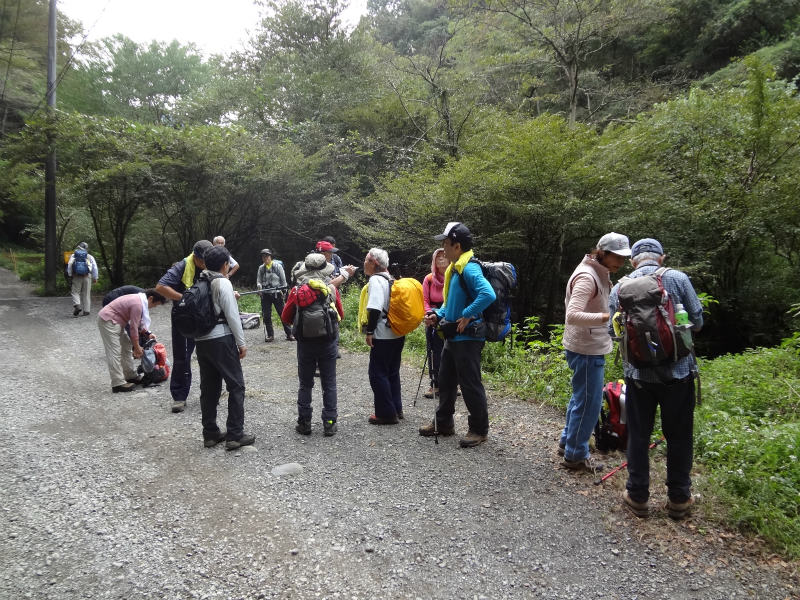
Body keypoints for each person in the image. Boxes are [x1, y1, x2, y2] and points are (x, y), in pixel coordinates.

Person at [609, 238, 703, 519]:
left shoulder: (619, 287)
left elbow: (613, 332)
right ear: (661, 258)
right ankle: (679, 499)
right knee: (679, 435)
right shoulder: (677, 279)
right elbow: (697, 322)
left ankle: (637, 496)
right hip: (679, 372)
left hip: (639, 376)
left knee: (639, 435)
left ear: (632, 261)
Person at [419, 223, 496, 448]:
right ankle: (444, 423)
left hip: (468, 337)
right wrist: (437, 314)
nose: (443, 249)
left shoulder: (468, 268)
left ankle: (479, 430)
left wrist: (467, 314)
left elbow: (488, 294)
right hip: (453, 336)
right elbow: (450, 303)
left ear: (457, 246)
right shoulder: (455, 268)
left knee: (470, 384)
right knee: (446, 381)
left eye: (446, 243)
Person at [558, 232, 630, 472]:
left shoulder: (599, 272)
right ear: (602, 253)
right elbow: (572, 315)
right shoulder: (588, 277)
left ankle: (567, 442)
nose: (621, 261)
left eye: (624, 257)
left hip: (586, 345)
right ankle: (576, 455)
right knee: (589, 402)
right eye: (616, 256)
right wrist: (607, 317)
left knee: (581, 397)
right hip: (586, 348)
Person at [194, 245, 255, 450]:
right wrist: (241, 343)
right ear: (225, 265)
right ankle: (235, 435)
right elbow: (232, 316)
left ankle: (210, 434)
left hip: (201, 341)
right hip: (221, 340)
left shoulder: (200, 280)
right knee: (236, 386)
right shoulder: (222, 282)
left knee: (209, 388)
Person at [281, 253, 347, 437]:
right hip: (328, 342)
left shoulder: (297, 291)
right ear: (324, 270)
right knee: (329, 383)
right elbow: (340, 315)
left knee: (305, 383)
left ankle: (304, 423)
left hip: (305, 344)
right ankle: (330, 423)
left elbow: (285, 317)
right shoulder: (330, 289)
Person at [155, 239, 213, 413]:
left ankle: (211, 393)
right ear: (195, 257)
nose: (205, 264)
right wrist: (185, 299)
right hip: (184, 318)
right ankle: (179, 396)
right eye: (202, 261)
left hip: (205, 316)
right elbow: (160, 287)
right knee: (182, 357)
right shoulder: (182, 266)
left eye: (207, 260)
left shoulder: (212, 264)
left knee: (210, 355)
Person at [361, 247, 405, 425]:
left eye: (366, 259)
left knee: (377, 373)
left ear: (374, 263)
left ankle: (386, 414)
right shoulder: (391, 278)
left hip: (382, 334)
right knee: (392, 372)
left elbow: (374, 308)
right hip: (397, 332)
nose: (364, 263)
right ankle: (397, 408)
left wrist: (370, 331)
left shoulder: (376, 280)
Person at [97, 289, 166, 393]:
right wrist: (137, 347)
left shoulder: (139, 300)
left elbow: (138, 321)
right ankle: (117, 383)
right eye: (155, 305)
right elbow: (133, 328)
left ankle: (130, 376)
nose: (153, 307)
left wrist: (147, 333)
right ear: (151, 298)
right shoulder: (138, 304)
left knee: (126, 346)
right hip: (108, 321)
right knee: (114, 352)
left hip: (116, 321)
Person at [422, 248, 448, 398]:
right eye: (438, 257)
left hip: (449, 317)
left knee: (451, 350)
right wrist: (430, 314)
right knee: (434, 351)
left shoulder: (454, 276)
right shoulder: (429, 279)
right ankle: (435, 384)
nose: (441, 259)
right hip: (432, 317)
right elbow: (424, 300)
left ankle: (452, 383)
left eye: (444, 256)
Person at [256, 248, 293, 342]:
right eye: (263, 257)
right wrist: (259, 287)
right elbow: (259, 280)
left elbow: (283, 280)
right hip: (265, 294)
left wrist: (284, 291)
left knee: (282, 314)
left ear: (270, 256)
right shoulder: (261, 268)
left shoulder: (278, 267)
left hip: (277, 294)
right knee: (266, 315)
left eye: (267, 256)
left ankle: (289, 334)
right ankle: (270, 335)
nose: (265, 258)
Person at [67, 242, 99, 316]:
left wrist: (70, 274)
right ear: (86, 249)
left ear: (78, 247)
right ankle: (86, 311)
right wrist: (95, 277)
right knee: (86, 293)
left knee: (75, 292)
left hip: (76, 276)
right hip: (87, 276)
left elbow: (70, 265)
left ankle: (77, 305)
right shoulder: (90, 256)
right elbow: (94, 267)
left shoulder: (73, 255)